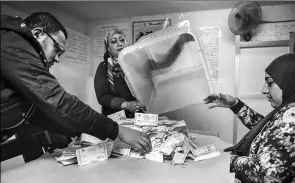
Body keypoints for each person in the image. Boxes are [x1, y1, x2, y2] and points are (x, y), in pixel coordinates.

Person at [1, 13, 152, 153]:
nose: (58, 59)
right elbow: (58, 101)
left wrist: (81, 130)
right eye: (57, 49)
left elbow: (43, 112)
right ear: (38, 34)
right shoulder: (13, 43)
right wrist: (118, 130)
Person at [204, 53, 295, 183]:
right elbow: (267, 131)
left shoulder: (292, 116)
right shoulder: (288, 110)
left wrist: (226, 159)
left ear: (289, 81)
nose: (264, 90)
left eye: (269, 83)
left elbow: (266, 174)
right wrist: (235, 104)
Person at [94, 29, 146, 118]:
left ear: (127, 43)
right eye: (113, 41)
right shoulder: (104, 67)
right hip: (115, 119)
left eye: (122, 40)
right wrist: (126, 105)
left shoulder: (137, 63)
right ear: (108, 49)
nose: (119, 44)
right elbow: (102, 97)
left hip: (140, 116)